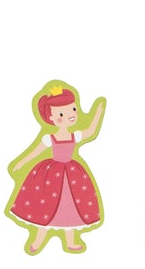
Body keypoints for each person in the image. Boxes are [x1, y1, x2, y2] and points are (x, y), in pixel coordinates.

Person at [6, 84, 106, 255]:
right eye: (61, 114)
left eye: (73, 109)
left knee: (72, 208)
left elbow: (90, 132)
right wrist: (21, 163)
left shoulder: (74, 136)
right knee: (45, 207)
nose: (70, 115)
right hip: (51, 177)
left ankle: (71, 241)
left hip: (72, 176)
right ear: (51, 117)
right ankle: (38, 240)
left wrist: (98, 112)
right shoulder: (49, 138)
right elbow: (34, 152)